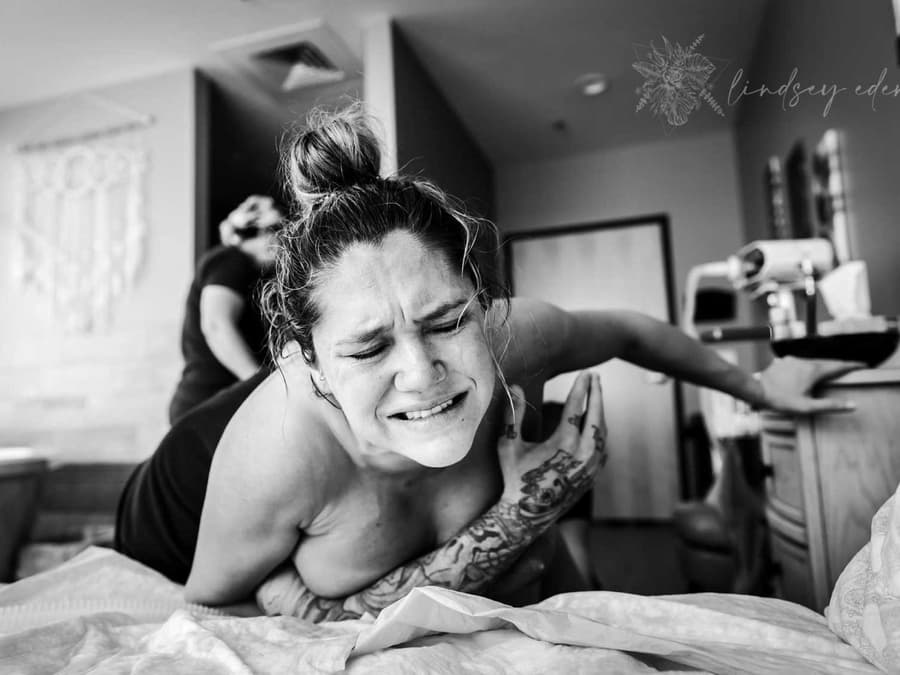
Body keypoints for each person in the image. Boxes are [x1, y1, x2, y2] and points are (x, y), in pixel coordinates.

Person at [117, 105, 861, 623]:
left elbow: (633, 332)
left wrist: (759, 386)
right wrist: (511, 520)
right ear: (306, 361)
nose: (422, 372)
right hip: (183, 496)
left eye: (447, 321)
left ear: (483, 303)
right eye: (370, 346)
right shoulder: (277, 450)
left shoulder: (512, 340)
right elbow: (209, 608)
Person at [167, 196, 283, 424]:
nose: (281, 242)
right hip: (208, 406)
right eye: (276, 230)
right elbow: (216, 325)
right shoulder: (230, 260)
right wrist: (261, 385)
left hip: (214, 405)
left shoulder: (253, 273)